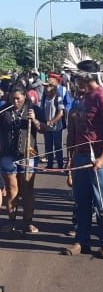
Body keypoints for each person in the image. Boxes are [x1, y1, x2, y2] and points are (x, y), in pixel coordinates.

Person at [61, 60, 103, 259]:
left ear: (86, 77)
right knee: (81, 202)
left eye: (77, 77)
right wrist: (70, 159)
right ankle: (81, 240)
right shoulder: (79, 99)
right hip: (80, 157)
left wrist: (102, 158)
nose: (75, 81)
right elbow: (72, 131)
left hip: (98, 158)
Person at [0, 87, 42, 234]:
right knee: (12, 190)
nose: (15, 101)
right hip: (7, 155)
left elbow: (45, 128)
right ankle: (11, 221)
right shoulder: (3, 110)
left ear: (25, 96)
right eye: (12, 98)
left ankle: (28, 222)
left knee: (27, 189)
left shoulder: (34, 109)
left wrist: (35, 120)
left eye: (18, 98)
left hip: (28, 155)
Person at [39, 76, 65, 169]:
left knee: (57, 146)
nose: (45, 88)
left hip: (56, 127)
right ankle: (50, 164)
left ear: (53, 87)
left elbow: (61, 112)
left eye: (47, 86)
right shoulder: (44, 98)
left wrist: (52, 121)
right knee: (48, 146)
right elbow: (41, 110)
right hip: (47, 126)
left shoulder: (58, 98)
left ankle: (60, 165)